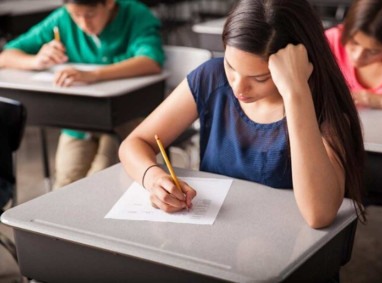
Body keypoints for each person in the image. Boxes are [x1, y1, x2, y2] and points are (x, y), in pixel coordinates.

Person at [119, 0, 366, 232]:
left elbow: (318, 215)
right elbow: (135, 143)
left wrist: (295, 92)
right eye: (231, 66)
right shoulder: (211, 78)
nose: (238, 88)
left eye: (259, 78)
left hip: (284, 251)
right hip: (215, 241)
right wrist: (154, 178)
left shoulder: (321, 106)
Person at [0, 0, 164, 189]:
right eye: (76, 16)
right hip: (79, 122)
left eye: (90, 15)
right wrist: (36, 61)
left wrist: (94, 74)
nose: (84, 24)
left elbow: (150, 61)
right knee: (64, 183)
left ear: (109, 3)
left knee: (101, 179)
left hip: (126, 119)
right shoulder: (62, 18)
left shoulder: (135, 14)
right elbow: (6, 55)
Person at [325, 0, 382, 113]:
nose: (357, 57)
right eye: (354, 42)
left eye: (373, 51)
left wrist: (380, 100)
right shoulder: (330, 42)